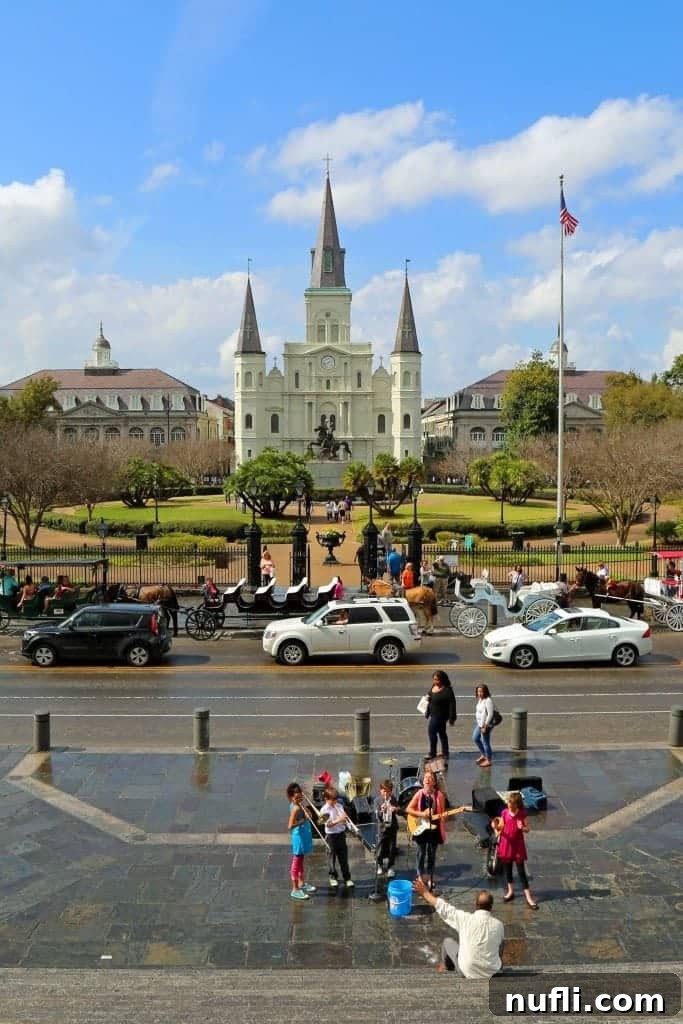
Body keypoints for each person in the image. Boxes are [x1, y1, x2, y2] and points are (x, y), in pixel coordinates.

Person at [413, 881, 505, 979]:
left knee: (447, 942)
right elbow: (500, 947)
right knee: (501, 942)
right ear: (491, 907)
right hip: (491, 971)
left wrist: (425, 893)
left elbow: (443, 907)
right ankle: (495, 965)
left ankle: (447, 967)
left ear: (475, 905)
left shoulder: (465, 919)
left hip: (467, 971)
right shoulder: (499, 925)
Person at [493, 791, 538, 908]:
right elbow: (501, 828)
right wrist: (496, 827)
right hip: (506, 844)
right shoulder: (504, 812)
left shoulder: (522, 814)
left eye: (512, 806)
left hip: (517, 846)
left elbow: (528, 829)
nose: (510, 808)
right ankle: (510, 891)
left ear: (517, 805)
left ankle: (529, 897)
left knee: (521, 872)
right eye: (508, 805)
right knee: (507, 870)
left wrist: (522, 827)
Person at [406, 770, 447, 892]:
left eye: (430, 778)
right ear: (423, 781)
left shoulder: (439, 795)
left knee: (432, 854)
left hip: (434, 829)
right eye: (425, 778)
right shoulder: (419, 794)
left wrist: (444, 816)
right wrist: (421, 813)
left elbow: (443, 813)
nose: (427, 780)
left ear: (434, 782)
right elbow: (408, 809)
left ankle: (430, 878)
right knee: (421, 854)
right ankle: (420, 877)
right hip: (422, 828)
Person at [286, 782, 317, 901]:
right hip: (298, 837)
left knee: (301, 860)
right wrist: (304, 820)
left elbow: (306, 816)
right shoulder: (296, 808)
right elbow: (290, 826)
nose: (299, 799)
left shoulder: (298, 805)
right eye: (297, 797)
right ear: (291, 797)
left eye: (300, 796)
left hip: (303, 835)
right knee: (296, 862)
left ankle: (301, 882)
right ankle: (295, 889)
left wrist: (307, 814)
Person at [321, 786, 354, 889]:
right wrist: (339, 820)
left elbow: (344, 819)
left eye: (336, 799)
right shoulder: (324, 810)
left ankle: (347, 878)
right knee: (332, 858)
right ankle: (333, 877)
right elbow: (328, 825)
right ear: (326, 799)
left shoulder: (339, 806)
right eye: (333, 800)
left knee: (343, 857)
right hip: (331, 836)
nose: (335, 802)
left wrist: (345, 820)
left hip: (341, 834)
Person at [425, 670, 457, 762]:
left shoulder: (447, 690)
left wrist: (452, 718)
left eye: (437, 680)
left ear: (442, 680)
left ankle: (432, 752)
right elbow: (429, 694)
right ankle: (445, 752)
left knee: (431, 731)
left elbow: (452, 705)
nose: (435, 682)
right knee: (442, 733)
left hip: (441, 716)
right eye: (434, 679)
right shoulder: (433, 686)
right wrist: (428, 697)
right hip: (433, 713)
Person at [375, 779, 399, 878]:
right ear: (381, 791)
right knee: (380, 848)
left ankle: (390, 867)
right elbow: (377, 816)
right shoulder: (377, 800)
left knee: (392, 848)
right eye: (384, 791)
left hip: (392, 827)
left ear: (391, 791)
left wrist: (396, 809)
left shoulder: (393, 799)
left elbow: (400, 811)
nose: (386, 793)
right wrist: (382, 811)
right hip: (382, 828)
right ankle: (379, 865)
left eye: (388, 791)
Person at [473, 684, 494, 768]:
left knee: (486, 742)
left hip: (485, 725)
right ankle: (483, 754)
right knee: (475, 738)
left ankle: (489, 760)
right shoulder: (480, 699)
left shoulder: (488, 700)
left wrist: (485, 726)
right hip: (480, 724)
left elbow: (490, 714)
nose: (479, 693)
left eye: (481, 691)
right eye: (478, 691)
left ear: (485, 692)